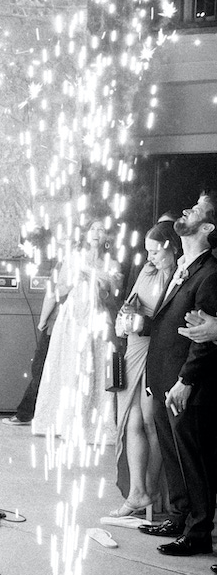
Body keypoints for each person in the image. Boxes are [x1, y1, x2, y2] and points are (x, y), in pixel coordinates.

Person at [137, 192, 217, 557]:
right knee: (172, 453)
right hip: (164, 378)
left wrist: (185, 381)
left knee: (192, 459)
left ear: (208, 227)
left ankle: (198, 531)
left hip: (188, 384)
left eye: (196, 210)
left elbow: (203, 338)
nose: (186, 210)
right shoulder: (183, 266)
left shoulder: (210, 274)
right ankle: (179, 515)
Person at [108, 221, 180, 518]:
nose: (150, 257)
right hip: (135, 349)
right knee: (131, 420)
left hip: (158, 352)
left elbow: (171, 321)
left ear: (171, 248)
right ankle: (137, 492)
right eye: (147, 251)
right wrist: (124, 320)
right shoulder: (147, 271)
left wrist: (141, 323)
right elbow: (132, 302)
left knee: (153, 422)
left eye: (155, 252)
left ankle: (151, 491)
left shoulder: (178, 276)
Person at [31, 217, 122, 446]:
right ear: (85, 234)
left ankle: (93, 425)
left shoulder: (112, 265)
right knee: (72, 367)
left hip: (98, 320)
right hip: (74, 318)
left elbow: (113, 300)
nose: (96, 233)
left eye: (101, 230)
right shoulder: (73, 258)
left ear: (107, 238)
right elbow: (59, 290)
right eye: (92, 228)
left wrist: (101, 285)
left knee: (96, 369)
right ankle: (66, 422)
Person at [3, 258, 60, 425]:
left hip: (55, 324)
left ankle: (25, 414)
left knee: (40, 368)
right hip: (78, 325)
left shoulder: (66, 263)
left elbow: (52, 294)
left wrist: (42, 321)